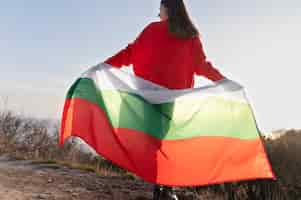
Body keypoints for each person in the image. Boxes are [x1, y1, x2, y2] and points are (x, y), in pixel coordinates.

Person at [103, 0, 227, 199]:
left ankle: (160, 188)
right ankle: (165, 188)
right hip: (172, 98)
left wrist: (106, 65)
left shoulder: (152, 30)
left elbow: (131, 53)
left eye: (159, 9)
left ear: (167, 8)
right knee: (168, 141)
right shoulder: (190, 35)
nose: (158, 13)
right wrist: (222, 80)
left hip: (148, 96)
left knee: (154, 142)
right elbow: (201, 65)